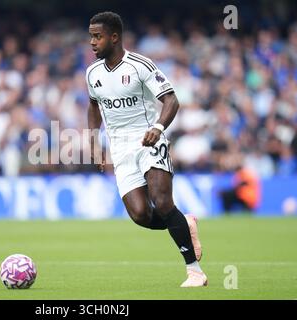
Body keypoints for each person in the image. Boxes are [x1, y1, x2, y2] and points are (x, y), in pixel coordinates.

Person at [86, 12, 207, 287]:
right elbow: (93, 106)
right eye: (91, 36)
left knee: (163, 202)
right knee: (141, 215)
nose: (92, 42)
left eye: (97, 36)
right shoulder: (92, 73)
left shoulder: (140, 65)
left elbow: (171, 100)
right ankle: (185, 223)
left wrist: (159, 128)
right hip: (120, 150)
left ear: (114, 37)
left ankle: (194, 271)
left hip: (148, 140)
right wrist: (93, 141)